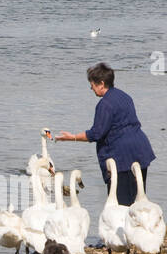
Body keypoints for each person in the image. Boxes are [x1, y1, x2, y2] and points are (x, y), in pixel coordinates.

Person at [55, 62, 155, 207]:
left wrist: (72, 137)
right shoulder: (124, 96)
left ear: (101, 84)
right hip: (140, 150)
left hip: (122, 158)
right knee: (138, 198)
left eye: (92, 85)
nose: (91, 88)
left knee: (121, 204)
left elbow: (96, 133)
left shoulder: (105, 105)